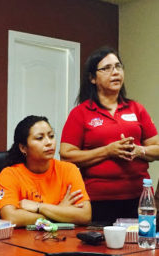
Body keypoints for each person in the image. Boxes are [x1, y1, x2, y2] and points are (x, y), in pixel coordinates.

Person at [60, 46, 159, 224]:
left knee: (140, 248)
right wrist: (108, 151)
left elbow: (157, 149)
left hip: (139, 197)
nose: (115, 72)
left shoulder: (137, 109)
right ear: (92, 78)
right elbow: (66, 156)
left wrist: (139, 150)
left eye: (118, 67)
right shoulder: (80, 113)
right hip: (98, 199)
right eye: (106, 68)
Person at [0, 115, 91, 227]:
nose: (48, 142)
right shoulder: (10, 174)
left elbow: (85, 215)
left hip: (61, 241)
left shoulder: (69, 169)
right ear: (23, 148)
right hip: (22, 241)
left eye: (51, 136)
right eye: (39, 138)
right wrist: (60, 211)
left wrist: (39, 207)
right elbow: (10, 217)